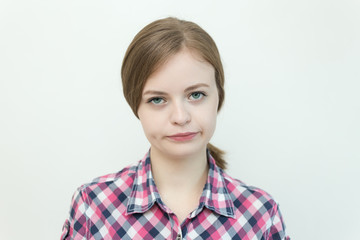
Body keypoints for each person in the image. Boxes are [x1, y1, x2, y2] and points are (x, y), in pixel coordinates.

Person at [61, 17, 290, 240]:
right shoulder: (93, 205)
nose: (180, 117)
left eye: (196, 95)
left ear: (218, 97)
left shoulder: (260, 214)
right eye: (158, 100)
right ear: (136, 106)